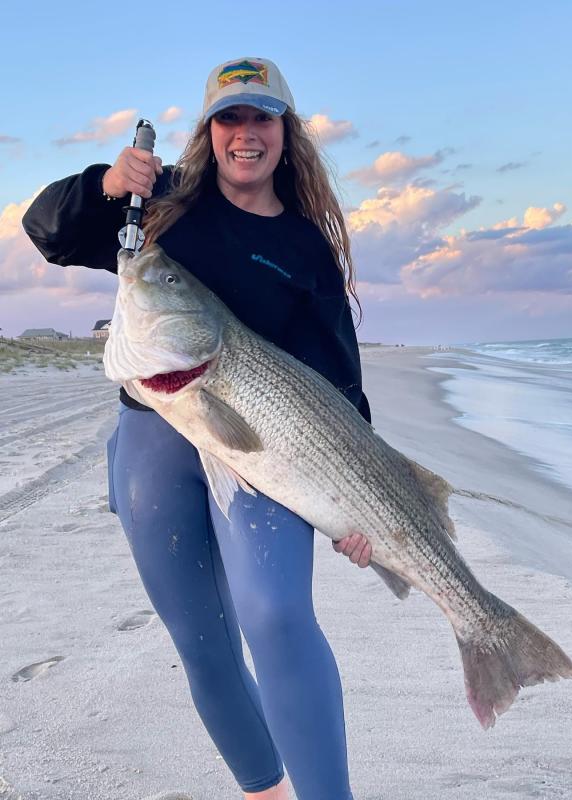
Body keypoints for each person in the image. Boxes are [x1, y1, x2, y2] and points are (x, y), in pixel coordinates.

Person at [23, 57, 373, 800]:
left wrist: (360, 499)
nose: (245, 135)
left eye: (261, 118)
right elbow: (47, 230)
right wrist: (108, 184)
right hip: (153, 441)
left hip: (263, 447)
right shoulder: (164, 205)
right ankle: (266, 792)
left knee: (276, 615)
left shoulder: (305, 246)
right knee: (206, 648)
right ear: (209, 132)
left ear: (287, 132)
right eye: (229, 119)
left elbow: (338, 381)